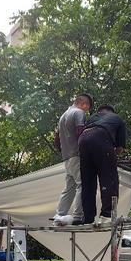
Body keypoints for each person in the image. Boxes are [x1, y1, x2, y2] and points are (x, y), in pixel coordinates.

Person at [78, 104, 127, 224]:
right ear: (112, 111)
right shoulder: (117, 118)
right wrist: (112, 156)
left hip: (83, 139)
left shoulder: (93, 117)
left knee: (88, 181)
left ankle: (88, 217)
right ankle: (106, 215)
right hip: (101, 137)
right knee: (109, 178)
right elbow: (119, 148)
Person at [53, 93, 93, 226]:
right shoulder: (79, 113)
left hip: (67, 157)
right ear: (83, 103)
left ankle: (60, 214)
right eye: (87, 107)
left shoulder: (63, 116)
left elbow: (57, 141)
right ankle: (77, 216)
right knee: (82, 184)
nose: (86, 110)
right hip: (77, 155)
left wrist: (64, 151)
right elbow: (81, 134)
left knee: (69, 187)